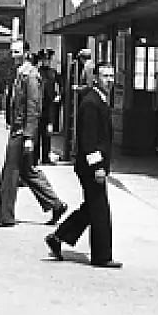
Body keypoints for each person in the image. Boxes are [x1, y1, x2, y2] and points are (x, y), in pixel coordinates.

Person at [0, 39, 68, 228]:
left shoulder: (31, 76)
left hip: (22, 131)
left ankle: (5, 216)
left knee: (10, 173)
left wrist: (29, 136)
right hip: (18, 129)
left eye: (17, 52)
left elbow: (33, 107)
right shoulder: (20, 73)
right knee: (27, 171)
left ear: (25, 53)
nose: (13, 55)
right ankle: (55, 204)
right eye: (12, 52)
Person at [46, 62, 119, 267]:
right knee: (100, 211)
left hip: (93, 165)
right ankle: (102, 256)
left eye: (111, 76)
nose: (109, 80)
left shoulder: (100, 99)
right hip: (90, 167)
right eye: (105, 76)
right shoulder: (91, 103)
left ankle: (58, 237)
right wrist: (97, 167)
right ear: (95, 78)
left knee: (91, 208)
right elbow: (88, 140)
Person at [36, 49, 58, 165]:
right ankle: (35, 158)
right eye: (44, 59)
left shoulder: (53, 73)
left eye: (48, 59)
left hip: (49, 106)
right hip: (39, 106)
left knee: (47, 134)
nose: (46, 62)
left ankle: (45, 157)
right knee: (37, 134)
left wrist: (59, 96)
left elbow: (60, 85)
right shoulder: (37, 72)